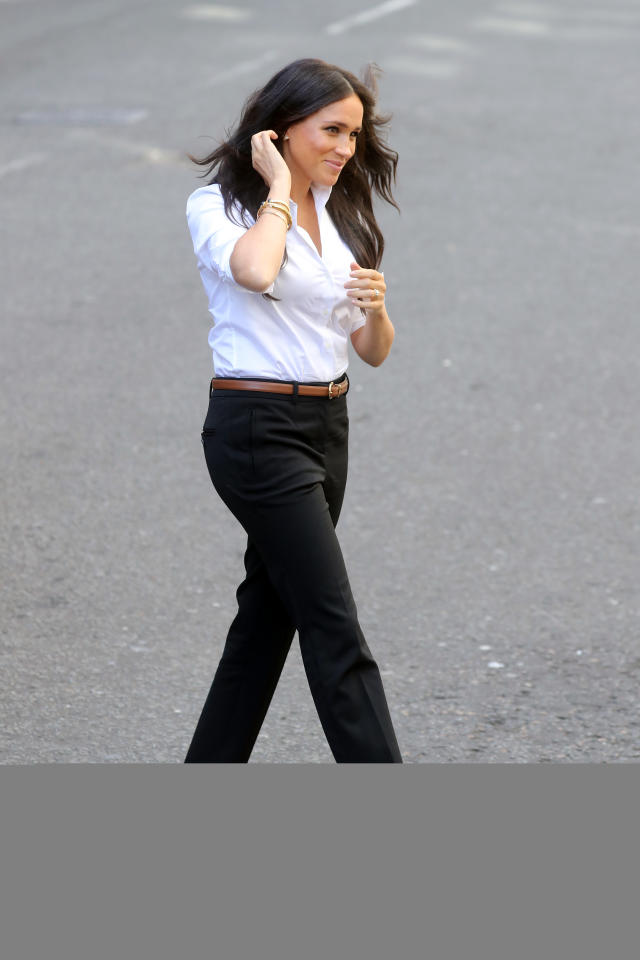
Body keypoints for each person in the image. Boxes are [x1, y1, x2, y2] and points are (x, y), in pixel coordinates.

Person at [183, 58, 403, 763]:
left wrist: (377, 309)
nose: (345, 148)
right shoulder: (220, 206)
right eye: (331, 130)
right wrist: (280, 187)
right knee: (333, 625)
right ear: (280, 131)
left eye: (353, 135)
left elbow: (371, 350)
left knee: (267, 620)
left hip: (326, 427)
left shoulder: (342, 214)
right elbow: (255, 269)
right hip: (257, 431)